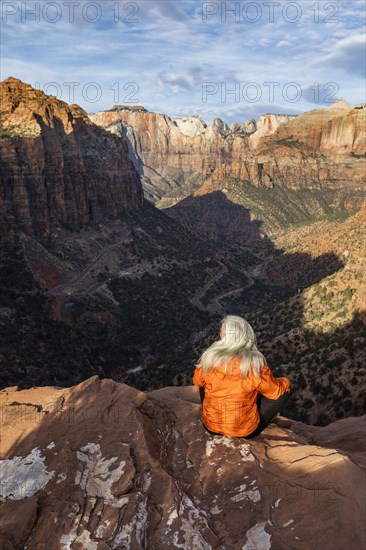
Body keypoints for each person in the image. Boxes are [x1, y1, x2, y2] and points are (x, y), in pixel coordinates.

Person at [192, 315, 291, 438]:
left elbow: (197, 381)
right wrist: (286, 382)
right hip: (245, 431)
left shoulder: (209, 358)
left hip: (211, 427)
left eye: (221, 331)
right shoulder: (254, 364)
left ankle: (214, 416)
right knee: (283, 392)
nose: (219, 333)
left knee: (204, 384)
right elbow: (274, 392)